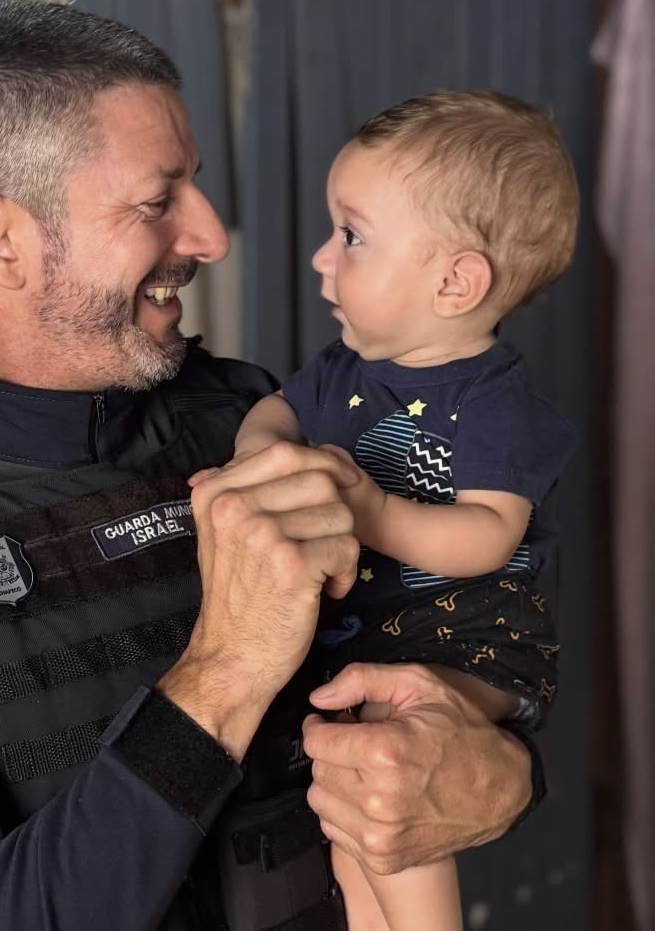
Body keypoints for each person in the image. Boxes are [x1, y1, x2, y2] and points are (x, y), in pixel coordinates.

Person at [0, 1, 544, 931]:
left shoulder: (248, 418)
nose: (210, 236)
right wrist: (226, 669)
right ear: (0, 239)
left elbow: (454, 660)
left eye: (194, 190)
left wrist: (505, 774)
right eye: (158, 200)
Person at [193, 91, 578, 931]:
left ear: (455, 280)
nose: (321, 257)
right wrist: (262, 464)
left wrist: (371, 513)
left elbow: (488, 536)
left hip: (470, 638)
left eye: (352, 236)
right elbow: (273, 416)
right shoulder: (342, 366)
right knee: (346, 826)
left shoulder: (492, 405)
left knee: (384, 777)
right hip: (375, 639)